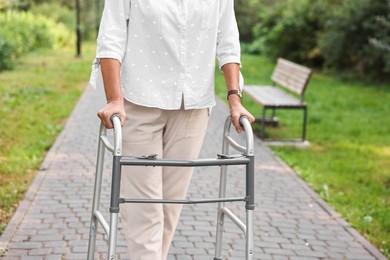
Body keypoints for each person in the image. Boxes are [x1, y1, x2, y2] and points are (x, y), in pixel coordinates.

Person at [91, 0, 255, 259]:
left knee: (170, 206)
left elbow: (228, 42)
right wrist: (114, 99)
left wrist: (235, 99)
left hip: (193, 107)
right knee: (146, 209)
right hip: (138, 102)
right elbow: (111, 38)